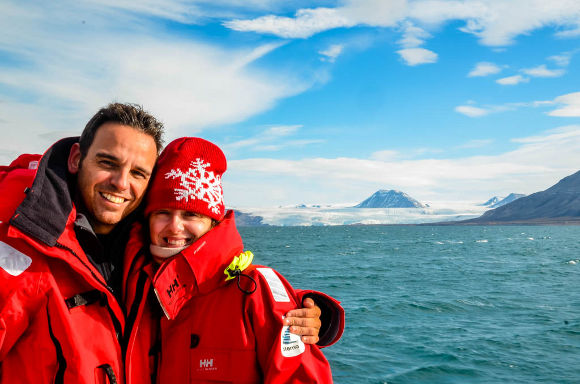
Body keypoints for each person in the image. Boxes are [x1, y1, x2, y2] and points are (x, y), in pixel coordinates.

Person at [0, 103, 342, 384]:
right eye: (108, 163)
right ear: (76, 158)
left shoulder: (240, 291)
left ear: (212, 220)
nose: (121, 183)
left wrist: (311, 315)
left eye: (138, 173)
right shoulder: (29, 250)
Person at [123, 137, 341, 383]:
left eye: (190, 214)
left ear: (212, 222)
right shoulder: (135, 289)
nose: (175, 226)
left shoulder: (255, 291)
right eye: (163, 213)